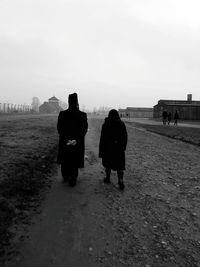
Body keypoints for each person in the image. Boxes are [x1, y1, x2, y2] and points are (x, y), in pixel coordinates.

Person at [57, 93, 88, 186]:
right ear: (77, 102)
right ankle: (73, 177)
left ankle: (65, 175)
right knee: (75, 159)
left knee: (65, 158)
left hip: (65, 141)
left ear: (68, 102)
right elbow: (84, 129)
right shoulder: (82, 115)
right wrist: (75, 140)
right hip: (77, 142)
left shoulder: (62, 114)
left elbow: (59, 128)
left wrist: (67, 140)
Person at [99, 109, 128, 190]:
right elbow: (125, 137)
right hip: (119, 149)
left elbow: (103, 138)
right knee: (120, 166)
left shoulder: (106, 124)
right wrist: (123, 147)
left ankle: (108, 178)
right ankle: (121, 181)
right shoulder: (121, 124)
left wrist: (101, 150)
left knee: (108, 164)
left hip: (108, 148)